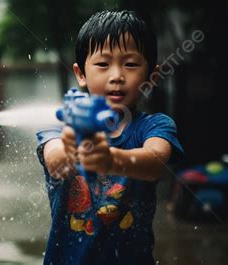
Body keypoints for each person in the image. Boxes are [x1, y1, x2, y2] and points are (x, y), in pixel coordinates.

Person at [36, 10, 184, 264]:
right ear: (81, 74)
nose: (117, 75)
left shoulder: (154, 126)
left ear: (152, 76)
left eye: (130, 64)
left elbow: (155, 162)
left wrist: (111, 159)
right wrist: (72, 143)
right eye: (103, 64)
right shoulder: (61, 125)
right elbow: (55, 161)